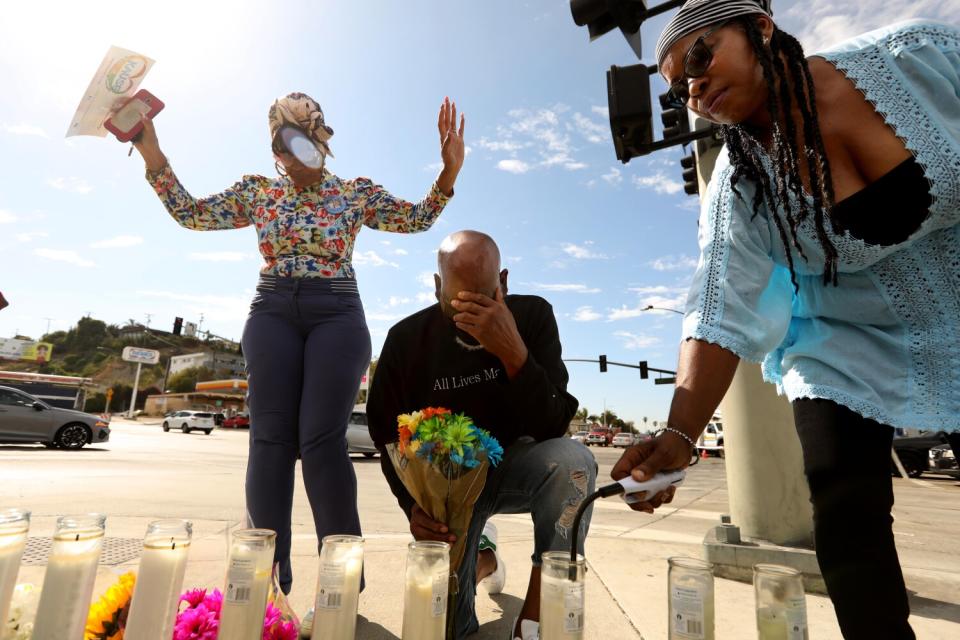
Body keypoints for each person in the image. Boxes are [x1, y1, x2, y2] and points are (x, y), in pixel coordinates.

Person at [612, 2, 960, 638]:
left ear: (761, 29)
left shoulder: (917, 59)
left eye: (698, 55)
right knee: (844, 508)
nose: (692, 85)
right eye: (677, 83)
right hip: (842, 343)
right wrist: (681, 435)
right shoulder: (740, 188)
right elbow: (718, 304)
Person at [120, 92, 466, 594]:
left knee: (321, 441)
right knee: (269, 442)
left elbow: (415, 218)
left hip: (337, 312)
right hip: (273, 310)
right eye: (283, 145)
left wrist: (448, 172)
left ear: (323, 142)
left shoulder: (354, 193)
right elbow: (191, 214)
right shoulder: (258, 192)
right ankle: (264, 585)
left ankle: (341, 585)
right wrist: (151, 150)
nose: (294, 155)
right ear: (274, 151)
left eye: (304, 141)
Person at [368, 230, 596, 640]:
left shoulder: (533, 316)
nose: (470, 315)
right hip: (447, 491)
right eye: (457, 302)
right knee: (441, 628)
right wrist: (411, 507)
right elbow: (385, 431)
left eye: (484, 299)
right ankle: (482, 561)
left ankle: (537, 620)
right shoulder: (405, 341)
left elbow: (554, 424)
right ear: (437, 286)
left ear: (503, 282)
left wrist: (513, 353)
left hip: (518, 469)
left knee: (573, 464)